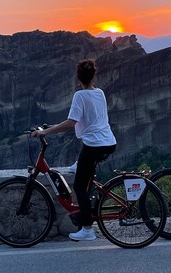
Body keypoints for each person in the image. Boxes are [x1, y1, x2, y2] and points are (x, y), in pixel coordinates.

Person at [31, 59, 117, 241]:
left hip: (94, 145)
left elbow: (71, 123)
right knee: (84, 166)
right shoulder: (99, 92)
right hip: (108, 142)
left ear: (78, 78)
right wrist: (51, 127)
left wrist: (45, 132)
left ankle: (87, 230)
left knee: (79, 187)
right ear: (93, 76)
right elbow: (87, 119)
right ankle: (80, 165)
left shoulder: (80, 95)